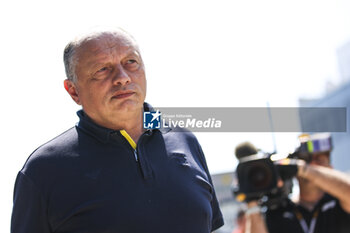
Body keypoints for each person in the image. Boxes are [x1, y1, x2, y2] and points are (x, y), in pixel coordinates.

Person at [11, 28, 224, 233]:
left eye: (131, 62)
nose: (123, 77)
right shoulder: (42, 170)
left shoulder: (185, 139)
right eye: (102, 69)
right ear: (73, 91)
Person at [243, 134, 350, 233]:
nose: (312, 164)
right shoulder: (278, 212)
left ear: (330, 168)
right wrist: (252, 201)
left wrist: (305, 170)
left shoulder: (338, 203)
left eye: (320, 159)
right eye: (306, 159)